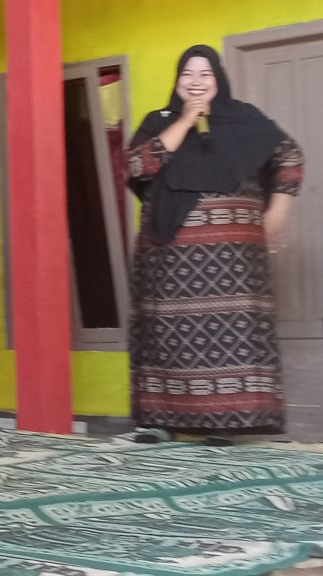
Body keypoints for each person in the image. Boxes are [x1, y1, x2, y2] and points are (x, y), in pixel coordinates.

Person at [127, 45, 304, 445]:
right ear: (177, 81)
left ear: (218, 79)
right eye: (187, 74)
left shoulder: (246, 119)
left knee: (231, 334)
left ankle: (225, 423)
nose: (196, 82)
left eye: (205, 74)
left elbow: (289, 155)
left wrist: (279, 208)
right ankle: (160, 420)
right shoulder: (159, 121)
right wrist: (186, 120)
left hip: (235, 266)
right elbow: (139, 166)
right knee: (168, 335)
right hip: (168, 261)